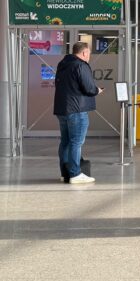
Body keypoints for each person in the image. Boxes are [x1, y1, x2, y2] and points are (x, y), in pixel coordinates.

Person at [53, 41, 103, 184]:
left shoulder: (63, 64)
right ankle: (75, 174)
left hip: (62, 109)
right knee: (76, 142)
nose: (89, 57)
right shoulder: (81, 65)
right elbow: (88, 88)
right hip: (77, 109)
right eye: (89, 54)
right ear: (84, 53)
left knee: (65, 142)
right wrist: (97, 90)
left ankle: (65, 174)